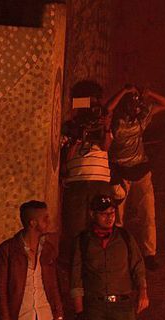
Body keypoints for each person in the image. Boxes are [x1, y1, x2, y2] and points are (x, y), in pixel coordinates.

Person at [106, 85, 165, 271]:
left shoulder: (141, 119)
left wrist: (150, 93)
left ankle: (149, 254)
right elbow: (107, 109)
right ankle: (116, 253)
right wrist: (123, 91)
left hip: (141, 172)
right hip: (121, 173)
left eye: (137, 103)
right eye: (132, 103)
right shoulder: (115, 121)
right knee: (117, 217)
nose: (135, 107)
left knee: (148, 215)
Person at [59, 81, 113, 268]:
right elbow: (66, 158)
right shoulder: (70, 127)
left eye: (94, 104)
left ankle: (100, 263)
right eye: (86, 104)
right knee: (75, 226)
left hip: (100, 180)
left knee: (101, 224)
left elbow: (106, 148)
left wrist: (105, 127)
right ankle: (76, 265)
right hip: (77, 182)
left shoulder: (101, 124)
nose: (90, 109)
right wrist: (77, 136)